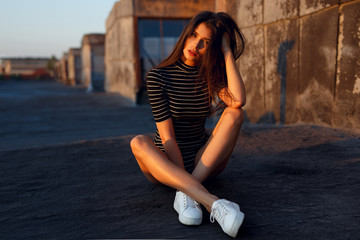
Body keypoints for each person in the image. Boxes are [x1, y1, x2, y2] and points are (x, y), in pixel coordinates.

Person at [130, 11, 246, 238]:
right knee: (138, 142)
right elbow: (168, 138)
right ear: (185, 35)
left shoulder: (209, 77)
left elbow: (238, 100)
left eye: (206, 42)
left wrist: (226, 51)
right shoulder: (158, 76)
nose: (196, 44)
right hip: (166, 166)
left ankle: (187, 192)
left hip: (204, 161)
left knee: (235, 114)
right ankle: (213, 204)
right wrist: (182, 177)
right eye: (193, 35)